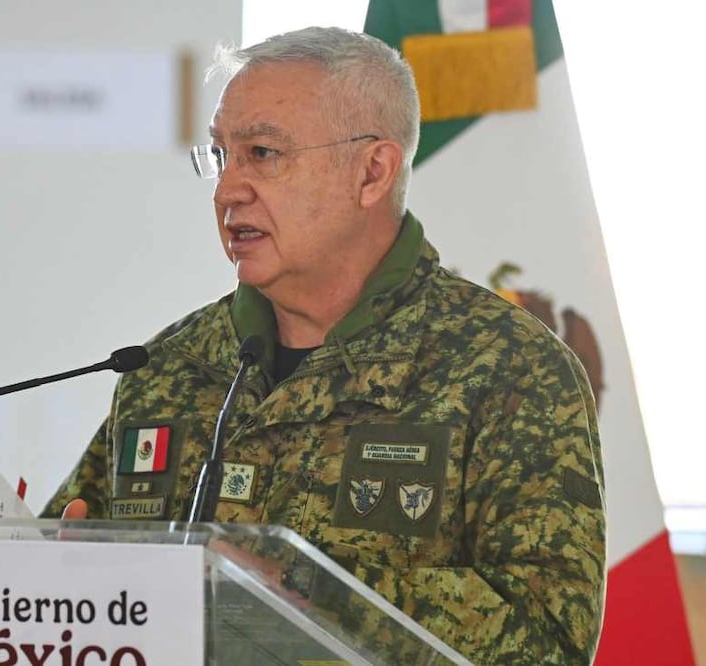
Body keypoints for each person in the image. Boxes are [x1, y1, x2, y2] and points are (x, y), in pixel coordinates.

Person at [42, 26, 605, 664]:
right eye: (222, 155)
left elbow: (547, 641)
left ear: (372, 173)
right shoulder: (169, 365)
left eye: (262, 153)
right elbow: (69, 549)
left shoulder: (508, 369)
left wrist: (300, 584)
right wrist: (55, 578)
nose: (227, 189)